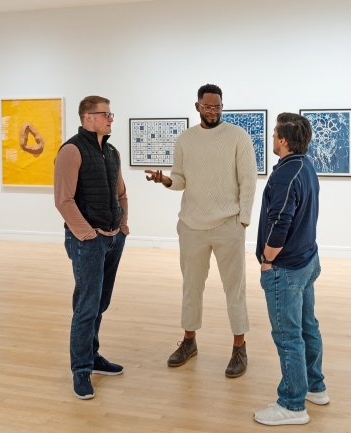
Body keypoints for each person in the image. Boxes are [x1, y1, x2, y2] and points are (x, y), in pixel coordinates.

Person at [145, 84, 257, 378]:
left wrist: (242, 220)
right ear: (197, 107)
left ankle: (239, 347)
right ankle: (189, 341)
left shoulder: (237, 137)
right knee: (191, 287)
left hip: (228, 225)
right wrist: (166, 181)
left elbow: (248, 180)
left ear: (222, 106)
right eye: (207, 107)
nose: (213, 111)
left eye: (217, 106)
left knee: (235, 290)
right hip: (192, 225)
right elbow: (181, 179)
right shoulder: (185, 140)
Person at [253, 113, 328, 425]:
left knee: (288, 335)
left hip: (286, 268)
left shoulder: (286, 174)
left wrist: (268, 258)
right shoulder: (306, 167)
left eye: (274, 135)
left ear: (283, 140)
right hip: (307, 260)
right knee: (307, 325)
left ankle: (293, 404)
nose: (272, 138)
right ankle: (315, 387)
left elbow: (281, 220)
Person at [54, 95, 129, 400]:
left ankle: (93, 356)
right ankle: (81, 368)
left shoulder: (111, 151)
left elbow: (121, 192)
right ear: (88, 117)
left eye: (111, 113)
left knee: (100, 302)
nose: (111, 118)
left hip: (112, 238)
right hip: (88, 241)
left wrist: (122, 226)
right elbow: (63, 200)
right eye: (105, 114)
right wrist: (87, 234)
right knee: (86, 305)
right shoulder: (71, 150)